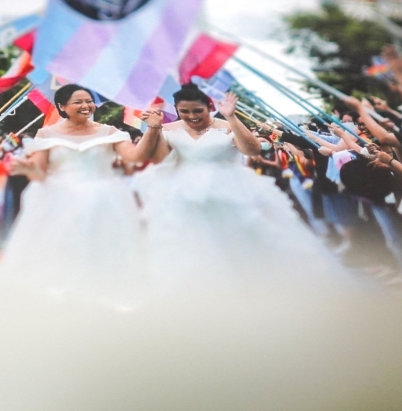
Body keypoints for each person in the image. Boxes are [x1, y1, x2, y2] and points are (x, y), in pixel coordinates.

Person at [135, 84, 352, 296]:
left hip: (231, 188)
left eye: (197, 110)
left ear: (209, 106)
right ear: (176, 110)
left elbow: (253, 149)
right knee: (199, 248)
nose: (192, 116)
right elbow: (158, 159)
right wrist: (153, 127)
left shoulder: (227, 126)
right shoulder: (169, 130)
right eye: (184, 111)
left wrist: (231, 117)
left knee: (246, 242)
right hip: (187, 195)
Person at [0, 84, 162, 309]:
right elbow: (39, 172)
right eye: (78, 102)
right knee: (58, 254)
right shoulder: (46, 133)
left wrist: (153, 130)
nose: (86, 106)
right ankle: (61, 301)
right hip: (58, 201)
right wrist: (27, 170)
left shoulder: (110, 132)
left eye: (89, 101)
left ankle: (99, 300)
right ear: (62, 107)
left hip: (102, 199)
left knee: (100, 252)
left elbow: (136, 156)